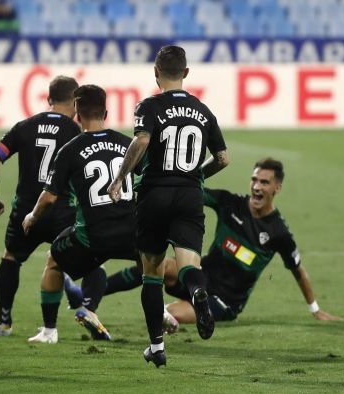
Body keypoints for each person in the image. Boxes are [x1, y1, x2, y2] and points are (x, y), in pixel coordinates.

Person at [69, 158, 341, 333]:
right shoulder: (230, 203)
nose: (257, 187)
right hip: (201, 276)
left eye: (264, 182)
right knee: (155, 264)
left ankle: (168, 318)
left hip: (224, 301)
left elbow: (297, 269)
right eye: (254, 180)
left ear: (277, 188)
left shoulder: (278, 232)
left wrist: (314, 309)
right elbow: (192, 191)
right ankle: (90, 296)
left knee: (166, 314)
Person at [107, 45, 229, 368]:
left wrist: (120, 177)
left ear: (156, 73)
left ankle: (157, 346)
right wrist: (197, 176)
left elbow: (142, 141)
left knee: (152, 274)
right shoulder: (203, 111)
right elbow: (223, 158)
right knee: (190, 266)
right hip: (190, 196)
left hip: (154, 195)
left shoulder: (149, 106)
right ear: (186, 73)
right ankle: (198, 294)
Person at [23, 84, 136, 344]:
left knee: (54, 259)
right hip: (132, 231)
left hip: (93, 236)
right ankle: (162, 317)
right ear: (106, 112)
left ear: (76, 112)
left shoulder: (71, 149)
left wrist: (32, 216)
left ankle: (49, 332)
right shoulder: (127, 144)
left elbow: (49, 196)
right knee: (154, 267)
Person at [0, 76, 81, 337]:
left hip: (26, 211)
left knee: (11, 258)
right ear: (75, 101)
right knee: (64, 261)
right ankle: (73, 309)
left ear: (49, 99)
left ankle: (3, 323)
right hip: (61, 210)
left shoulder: (24, 127)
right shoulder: (76, 131)